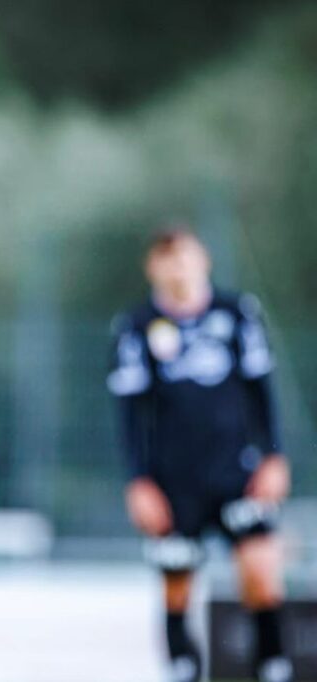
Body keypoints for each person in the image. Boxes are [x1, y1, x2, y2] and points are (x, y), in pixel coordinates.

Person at [108, 228, 293, 682]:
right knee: (176, 584)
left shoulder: (237, 314)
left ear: (204, 260)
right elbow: (130, 414)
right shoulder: (136, 326)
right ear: (153, 268)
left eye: (185, 257)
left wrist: (274, 457)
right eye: (167, 259)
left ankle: (274, 666)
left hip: (237, 473)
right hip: (173, 482)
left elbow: (262, 391)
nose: (178, 267)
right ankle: (182, 670)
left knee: (261, 570)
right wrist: (139, 482)